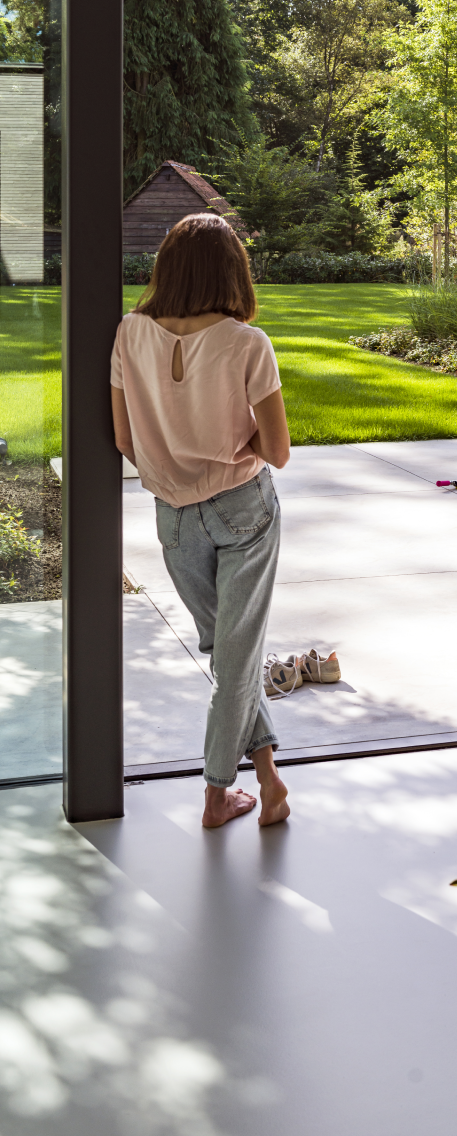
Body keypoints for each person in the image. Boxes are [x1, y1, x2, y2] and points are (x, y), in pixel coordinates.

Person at [111, 213, 292, 829]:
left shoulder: (128, 333)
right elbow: (279, 451)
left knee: (229, 653)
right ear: (232, 271)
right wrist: (233, 452)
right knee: (237, 660)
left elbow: (123, 439)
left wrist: (173, 465)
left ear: (167, 268)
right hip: (243, 510)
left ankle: (269, 784)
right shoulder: (248, 343)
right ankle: (217, 795)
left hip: (173, 519)